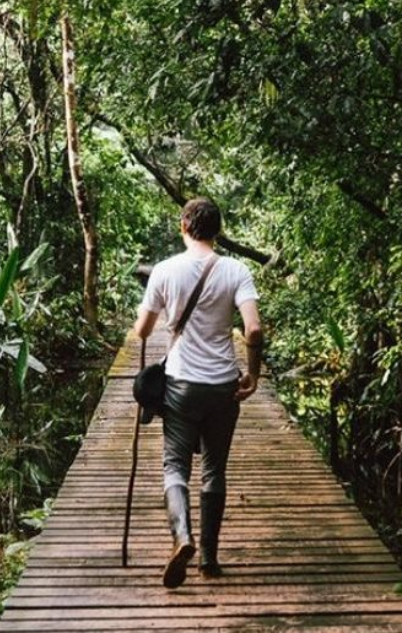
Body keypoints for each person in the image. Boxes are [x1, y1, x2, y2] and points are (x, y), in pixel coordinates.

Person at [133, 197, 263, 589]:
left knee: (175, 466)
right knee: (214, 469)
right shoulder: (236, 270)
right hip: (223, 385)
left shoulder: (165, 271)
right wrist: (253, 375)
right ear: (218, 230)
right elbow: (253, 330)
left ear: (183, 227)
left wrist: (157, 317)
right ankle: (208, 558)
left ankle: (182, 536)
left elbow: (141, 330)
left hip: (180, 385)